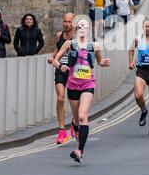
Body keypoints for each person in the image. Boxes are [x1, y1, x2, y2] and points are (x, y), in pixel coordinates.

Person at [52, 19, 111, 163]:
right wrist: (60, 66)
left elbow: (100, 62)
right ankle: (74, 124)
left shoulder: (95, 46)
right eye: (80, 26)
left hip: (87, 84)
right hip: (72, 85)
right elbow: (55, 60)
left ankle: (80, 151)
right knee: (77, 118)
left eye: (85, 26)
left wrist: (105, 63)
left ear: (89, 30)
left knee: (83, 115)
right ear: (76, 29)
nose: (82, 28)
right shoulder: (69, 44)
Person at [47, 13, 75, 145]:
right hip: (60, 70)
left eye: (69, 21)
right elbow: (56, 52)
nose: (66, 24)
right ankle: (62, 130)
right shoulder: (59, 36)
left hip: (75, 71)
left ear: (73, 23)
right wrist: (52, 58)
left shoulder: (78, 36)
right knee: (60, 98)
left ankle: (75, 124)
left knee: (75, 101)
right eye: (64, 21)